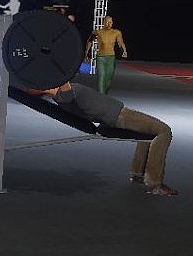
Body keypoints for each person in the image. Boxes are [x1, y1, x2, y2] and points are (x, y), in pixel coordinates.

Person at [27, 78, 177, 195]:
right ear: (42, 90)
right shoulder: (62, 95)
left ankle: (137, 174)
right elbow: (64, 79)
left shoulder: (61, 94)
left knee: (147, 134)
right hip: (119, 116)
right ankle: (154, 184)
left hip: (118, 114)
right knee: (164, 131)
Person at [91, 15, 129, 95]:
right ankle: (101, 96)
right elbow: (90, 41)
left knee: (108, 79)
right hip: (100, 57)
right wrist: (86, 53)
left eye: (110, 22)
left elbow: (120, 43)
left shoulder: (116, 32)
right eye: (107, 22)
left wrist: (124, 51)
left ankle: (104, 93)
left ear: (112, 23)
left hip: (111, 57)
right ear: (103, 23)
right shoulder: (98, 32)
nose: (108, 24)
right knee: (101, 77)